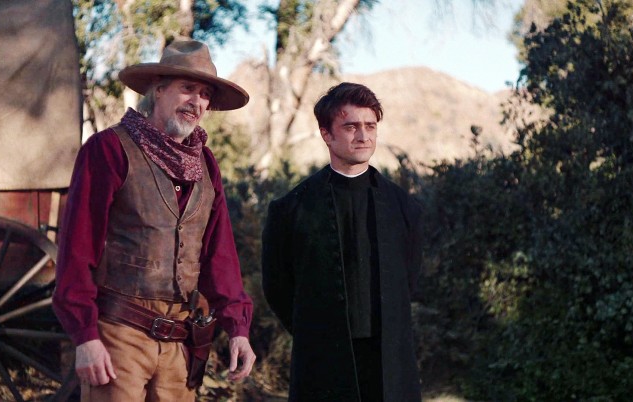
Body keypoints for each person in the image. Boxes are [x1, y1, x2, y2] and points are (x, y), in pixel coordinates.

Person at [53, 39, 256, 402]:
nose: (197, 102)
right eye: (187, 88)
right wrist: (86, 336)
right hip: (118, 335)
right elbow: (77, 248)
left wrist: (238, 327)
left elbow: (219, 254)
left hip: (181, 341)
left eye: (205, 94)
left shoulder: (206, 164)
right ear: (158, 89)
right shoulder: (109, 149)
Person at [261, 82, 423, 402]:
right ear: (326, 134)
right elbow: (277, 286)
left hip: (388, 359)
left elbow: (410, 279)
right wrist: (314, 332)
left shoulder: (404, 207)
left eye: (370, 126)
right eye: (351, 126)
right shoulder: (291, 208)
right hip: (322, 359)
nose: (363, 136)